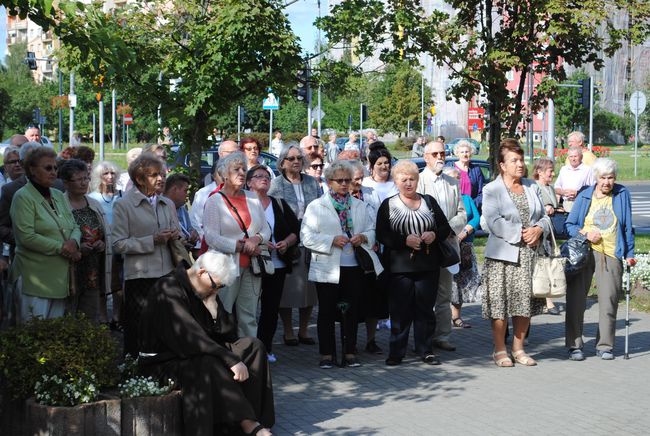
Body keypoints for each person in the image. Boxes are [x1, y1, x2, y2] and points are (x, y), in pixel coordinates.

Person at [138, 251, 274, 436]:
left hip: (197, 352)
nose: (216, 291)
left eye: (220, 287)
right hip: (162, 362)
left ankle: (256, 419)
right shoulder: (167, 288)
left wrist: (214, 311)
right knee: (209, 361)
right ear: (201, 272)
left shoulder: (206, 289)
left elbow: (228, 334)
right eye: (215, 286)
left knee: (253, 347)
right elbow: (189, 337)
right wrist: (230, 359)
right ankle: (247, 424)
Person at [302, 161, 383, 368]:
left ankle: (350, 352)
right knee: (327, 311)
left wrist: (363, 237)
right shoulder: (316, 206)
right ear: (329, 182)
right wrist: (330, 240)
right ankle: (327, 354)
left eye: (348, 180)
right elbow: (306, 237)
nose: (345, 184)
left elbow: (373, 231)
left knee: (351, 310)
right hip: (327, 266)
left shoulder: (361, 205)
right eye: (340, 181)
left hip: (353, 266)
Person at [481, 139, 550, 367]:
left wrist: (539, 229)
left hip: (529, 255)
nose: (520, 164)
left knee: (524, 304)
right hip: (502, 256)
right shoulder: (492, 189)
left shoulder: (532, 186)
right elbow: (492, 221)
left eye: (521, 159)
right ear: (502, 165)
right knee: (500, 305)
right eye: (514, 160)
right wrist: (521, 233)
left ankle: (518, 349)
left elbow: (545, 216)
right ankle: (500, 349)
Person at [376, 160, 451, 366]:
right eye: (403, 180)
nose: (408, 183)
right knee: (400, 311)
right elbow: (382, 234)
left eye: (412, 179)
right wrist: (403, 240)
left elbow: (445, 228)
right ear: (395, 181)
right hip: (400, 267)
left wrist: (433, 234)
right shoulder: (388, 204)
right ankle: (396, 351)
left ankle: (425, 349)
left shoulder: (429, 201)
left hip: (428, 266)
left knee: (425, 310)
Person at [564, 158, 634, 361]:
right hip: (584, 253)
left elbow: (628, 226)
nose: (607, 182)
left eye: (610, 177)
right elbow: (569, 225)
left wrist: (629, 254)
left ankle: (605, 345)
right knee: (576, 300)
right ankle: (574, 345)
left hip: (611, 253)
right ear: (596, 178)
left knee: (609, 300)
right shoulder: (585, 195)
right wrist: (585, 234)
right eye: (603, 177)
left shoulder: (622, 194)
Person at [112, 152, 180, 356]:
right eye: (154, 175)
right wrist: (152, 240)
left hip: (167, 271)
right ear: (140, 179)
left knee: (166, 323)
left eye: (161, 174)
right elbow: (118, 244)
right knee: (138, 325)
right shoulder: (123, 205)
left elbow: (176, 232)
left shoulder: (166, 203)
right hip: (139, 276)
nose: (161, 179)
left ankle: (165, 368)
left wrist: (175, 235)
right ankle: (136, 370)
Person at [203, 153, 270, 338]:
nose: (242, 173)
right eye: (236, 169)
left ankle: (249, 358)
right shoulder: (214, 201)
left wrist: (256, 240)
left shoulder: (253, 198)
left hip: (252, 266)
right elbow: (211, 237)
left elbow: (265, 229)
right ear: (224, 174)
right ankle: (222, 358)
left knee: (248, 316)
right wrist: (239, 246)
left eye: (244, 169)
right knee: (222, 313)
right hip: (225, 267)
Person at [10, 147, 80, 321]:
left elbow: (75, 226)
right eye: (48, 168)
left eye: (55, 168)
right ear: (32, 170)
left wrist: (74, 242)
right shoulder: (23, 197)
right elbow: (26, 237)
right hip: (34, 279)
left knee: (53, 338)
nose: (54, 172)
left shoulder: (57, 194)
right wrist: (62, 248)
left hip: (58, 279)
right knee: (33, 335)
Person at [268, 144, 320, 346]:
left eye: (299, 158)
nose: (296, 161)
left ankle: (304, 330)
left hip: (310, 242)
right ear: (282, 162)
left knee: (309, 289)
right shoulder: (276, 184)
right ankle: (289, 330)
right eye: (291, 159)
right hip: (287, 242)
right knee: (288, 290)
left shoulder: (312, 183)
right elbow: (273, 213)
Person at [246, 165, 300, 363]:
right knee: (248, 309)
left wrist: (286, 242)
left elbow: (296, 230)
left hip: (276, 264)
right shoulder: (244, 203)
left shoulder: (279, 203)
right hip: (251, 264)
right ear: (249, 182)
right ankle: (247, 349)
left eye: (267, 177)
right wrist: (259, 240)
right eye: (258, 176)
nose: (264, 179)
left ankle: (265, 348)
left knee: (270, 309)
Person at [417, 140, 467, 350]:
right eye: (435, 153)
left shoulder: (453, 182)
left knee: (445, 293)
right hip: (424, 246)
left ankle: (443, 336)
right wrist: (432, 233)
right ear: (426, 157)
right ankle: (424, 337)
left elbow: (462, 213)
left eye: (442, 153)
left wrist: (446, 231)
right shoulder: (418, 181)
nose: (440, 157)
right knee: (423, 294)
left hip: (446, 245)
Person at [60, 159, 111, 323]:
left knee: (89, 316)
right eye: (79, 179)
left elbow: (104, 233)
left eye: (86, 178)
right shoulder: (59, 205)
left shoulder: (94, 204)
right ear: (66, 183)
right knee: (68, 316)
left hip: (93, 270)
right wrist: (79, 248)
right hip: (69, 270)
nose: (84, 183)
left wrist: (102, 243)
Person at [350, 160, 386, 354]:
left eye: (361, 178)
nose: (358, 182)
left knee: (374, 299)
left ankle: (371, 340)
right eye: (355, 179)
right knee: (354, 300)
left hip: (372, 253)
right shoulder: (340, 196)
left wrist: (375, 239)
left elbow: (379, 219)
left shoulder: (371, 193)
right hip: (350, 253)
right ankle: (351, 340)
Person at [443, 166, 482, 328]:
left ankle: (457, 316)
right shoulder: (442, 198)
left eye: (458, 178)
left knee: (461, 281)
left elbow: (476, 218)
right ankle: (443, 318)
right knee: (447, 282)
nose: (457, 181)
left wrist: (463, 233)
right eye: (453, 178)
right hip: (446, 245)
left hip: (465, 246)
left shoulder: (466, 198)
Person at [88, 160, 124, 329]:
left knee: (119, 284)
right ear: (98, 177)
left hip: (120, 245)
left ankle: (117, 315)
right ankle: (103, 316)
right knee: (102, 282)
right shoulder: (92, 198)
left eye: (112, 173)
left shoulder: (122, 196)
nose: (110, 177)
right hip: (102, 245)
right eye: (105, 174)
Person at [190, 140, 240, 244]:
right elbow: (197, 222)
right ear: (214, 175)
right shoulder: (204, 194)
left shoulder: (242, 191)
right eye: (232, 153)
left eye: (238, 152)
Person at [532, 157, 562, 315]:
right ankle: (547, 302)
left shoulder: (550, 187)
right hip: (539, 233)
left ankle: (545, 298)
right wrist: (546, 208)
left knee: (549, 265)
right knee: (543, 266)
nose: (553, 173)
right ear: (539, 172)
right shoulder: (534, 187)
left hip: (550, 233)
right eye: (550, 171)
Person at [164, 173, 199, 255]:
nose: (187, 195)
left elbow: (189, 229)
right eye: (185, 190)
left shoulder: (182, 209)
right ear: (174, 189)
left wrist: (193, 235)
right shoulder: (160, 208)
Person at [554, 145, 595, 212]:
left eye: (575, 156)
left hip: (581, 203)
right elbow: (556, 188)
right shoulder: (564, 169)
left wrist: (577, 193)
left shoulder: (588, 170)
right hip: (565, 203)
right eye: (571, 156)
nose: (573, 159)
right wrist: (563, 192)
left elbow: (593, 188)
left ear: (581, 157)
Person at [453, 140, 485, 211]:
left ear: (471, 153)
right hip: (454, 208)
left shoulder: (476, 170)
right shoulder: (451, 167)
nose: (465, 154)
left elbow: (482, 193)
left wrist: (471, 205)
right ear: (457, 154)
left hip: (472, 208)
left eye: (467, 152)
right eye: (462, 152)